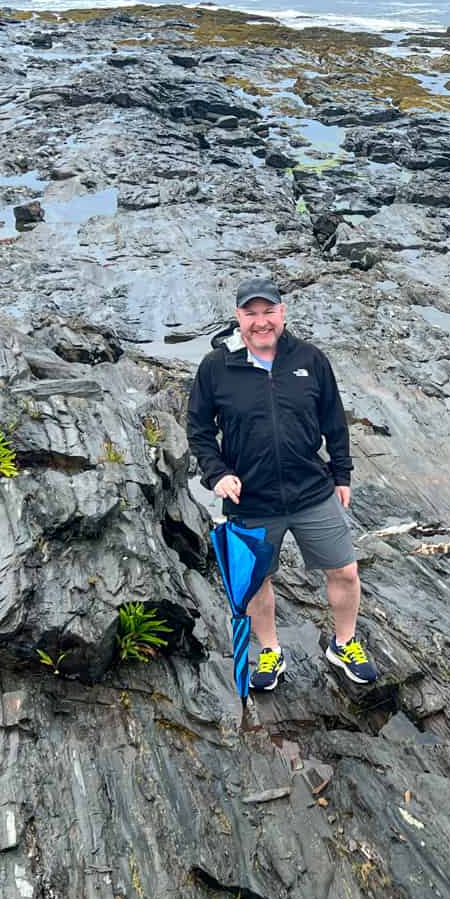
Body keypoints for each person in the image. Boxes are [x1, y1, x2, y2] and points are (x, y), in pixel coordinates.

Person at [187, 277, 377, 690]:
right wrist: (217, 475)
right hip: (250, 498)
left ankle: (343, 643)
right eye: (251, 313)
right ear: (238, 317)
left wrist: (341, 473)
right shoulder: (215, 368)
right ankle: (270, 651)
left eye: (268, 311)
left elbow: (333, 420)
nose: (260, 322)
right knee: (257, 582)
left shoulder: (310, 358)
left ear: (282, 313)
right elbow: (199, 432)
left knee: (345, 571)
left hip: (311, 490)